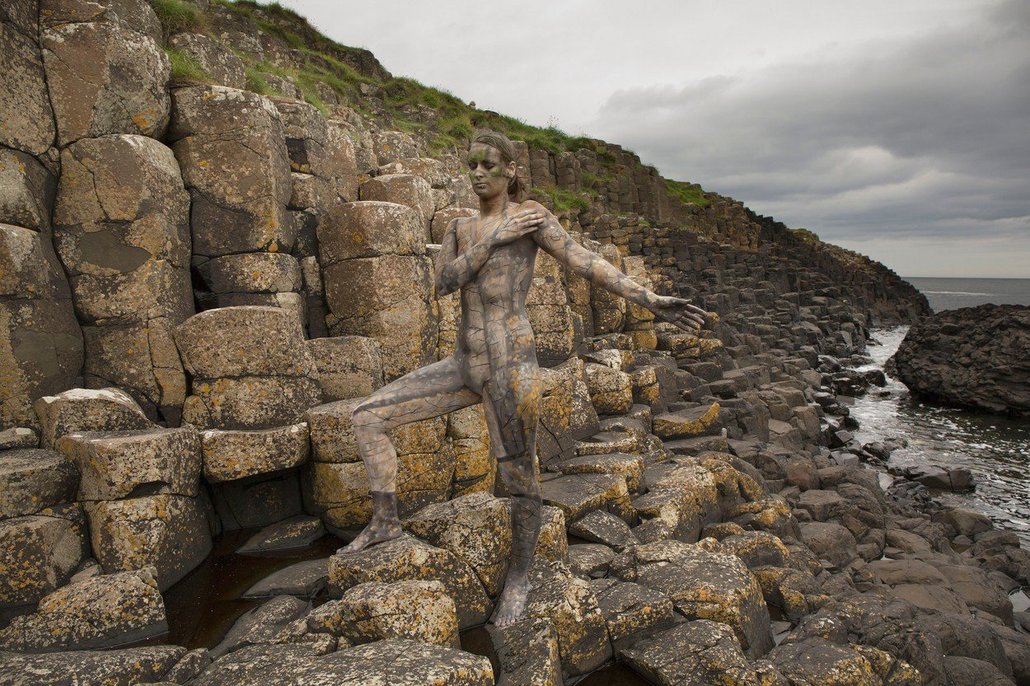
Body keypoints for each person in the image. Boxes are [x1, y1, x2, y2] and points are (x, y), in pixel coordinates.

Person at [338, 130, 707, 627]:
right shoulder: (461, 227)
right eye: (472, 165)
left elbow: (586, 262)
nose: (478, 174)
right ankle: (385, 520)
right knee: (367, 416)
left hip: (511, 366)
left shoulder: (532, 217)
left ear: (511, 170)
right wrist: (493, 240)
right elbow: (444, 283)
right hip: (464, 365)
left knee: (519, 481)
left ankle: (520, 577)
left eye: (489, 165)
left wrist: (650, 300)